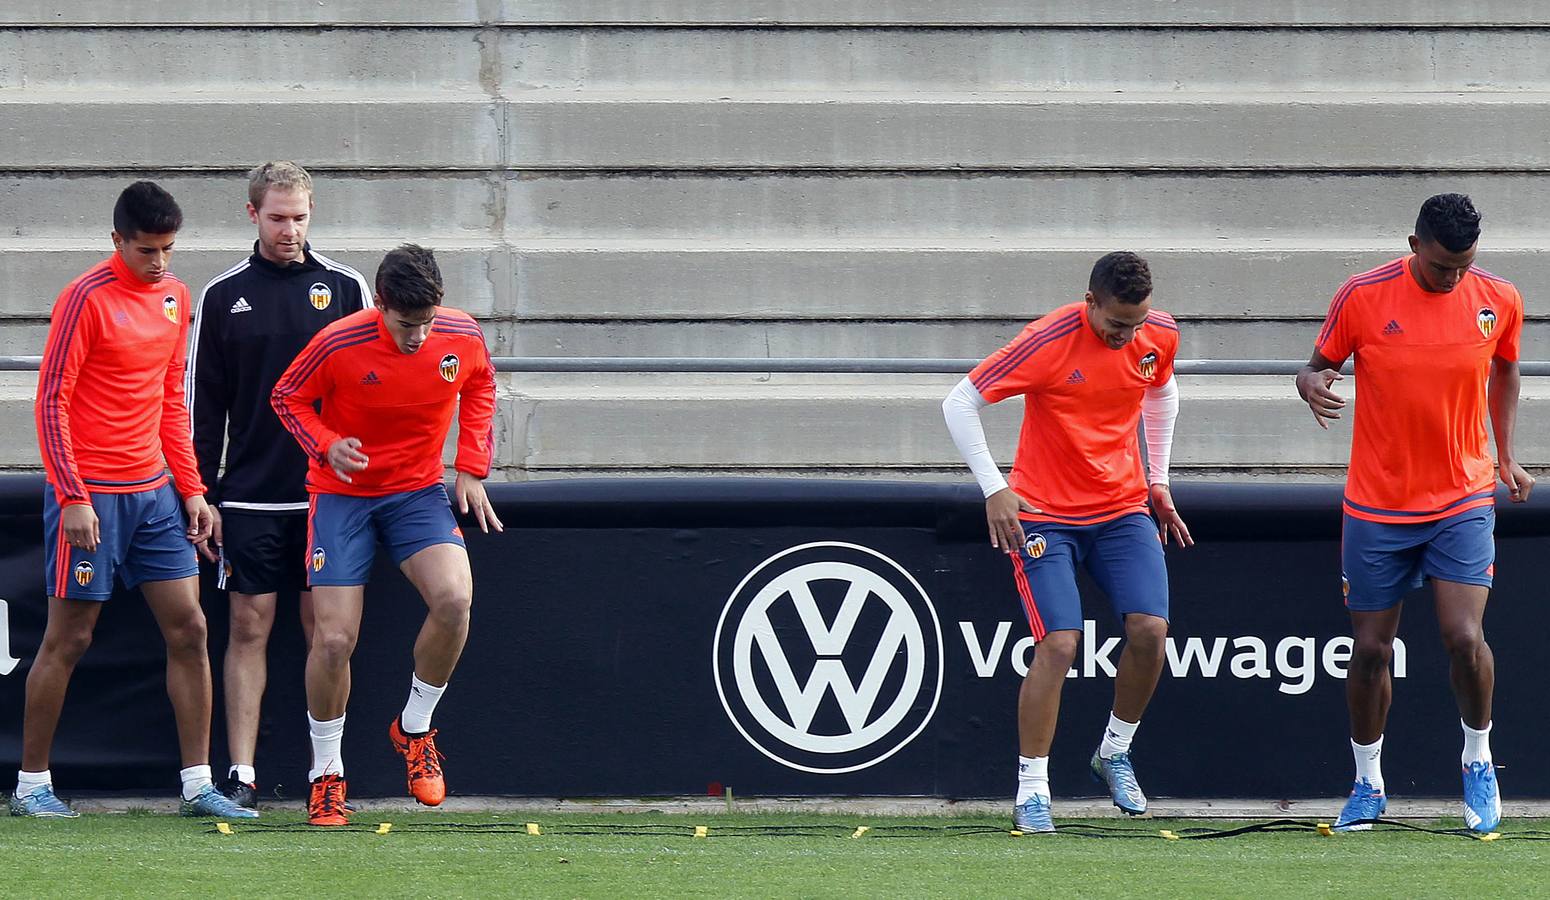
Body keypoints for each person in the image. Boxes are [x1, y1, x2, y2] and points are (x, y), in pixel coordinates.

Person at [12, 181, 255, 819]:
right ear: (117, 240)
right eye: (148, 249)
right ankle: (32, 785)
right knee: (68, 638)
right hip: (91, 498)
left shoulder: (176, 298)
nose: (160, 262)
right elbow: (52, 402)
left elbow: (172, 401)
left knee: (191, 626)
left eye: (169, 249)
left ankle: (198, 786)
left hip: (155, 498)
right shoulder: (84, 299)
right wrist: (72, 495)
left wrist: (194, 488)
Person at [1296, 194, 1531, 834]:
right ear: (1413, 245)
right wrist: (1311, 382)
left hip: (1462, 494)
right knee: (1370, 649)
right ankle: (1368, 782)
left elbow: (1507, 370)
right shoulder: (1362, 295)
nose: (1452, 277)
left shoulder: (1498, 298)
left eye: (1463, 265)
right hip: (1377, 503)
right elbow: (1316, 367)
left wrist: (1505, 455)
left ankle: (1479, 762)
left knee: (1463, 638)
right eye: (1440, 266)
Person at [942, 251, 1190, 834]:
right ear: (1089, 302)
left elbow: (1162, 392)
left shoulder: (1159, 332)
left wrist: (1158, 479)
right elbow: (959, 402)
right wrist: (995, 489)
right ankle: (1032, 790)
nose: (1125, 336)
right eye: (1114, 325)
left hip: (1122, 508)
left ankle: (1113, 752)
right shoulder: (1048, 338)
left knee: (1151, 633)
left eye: (1134, 324)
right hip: (1045, 515)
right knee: (1058, 644)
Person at [270, 243, 500, 826]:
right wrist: (326, 444)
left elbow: (480, 385)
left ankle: (414, 727)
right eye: (405, 324)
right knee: (333, 641)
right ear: (380, 305)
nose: (419, 337)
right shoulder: (339, 341)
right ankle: (326, 774)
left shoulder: (460, 335)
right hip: (342, 496)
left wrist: (471, 464)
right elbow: (287, 396)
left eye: (426, 322)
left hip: (416, 492)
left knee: (455, 600)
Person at [187, 161, 373, 809]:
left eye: (299, 217)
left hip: (331, 496)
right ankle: (241, 774)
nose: (289, 229)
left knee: (329, 634)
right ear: (252, 215)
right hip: (249, 495)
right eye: (277, 217)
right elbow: (203, 408)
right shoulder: (221, 295)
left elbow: (374, 393)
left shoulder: (347, 287)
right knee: (248, 625)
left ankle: (328, 774)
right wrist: (200, 492)